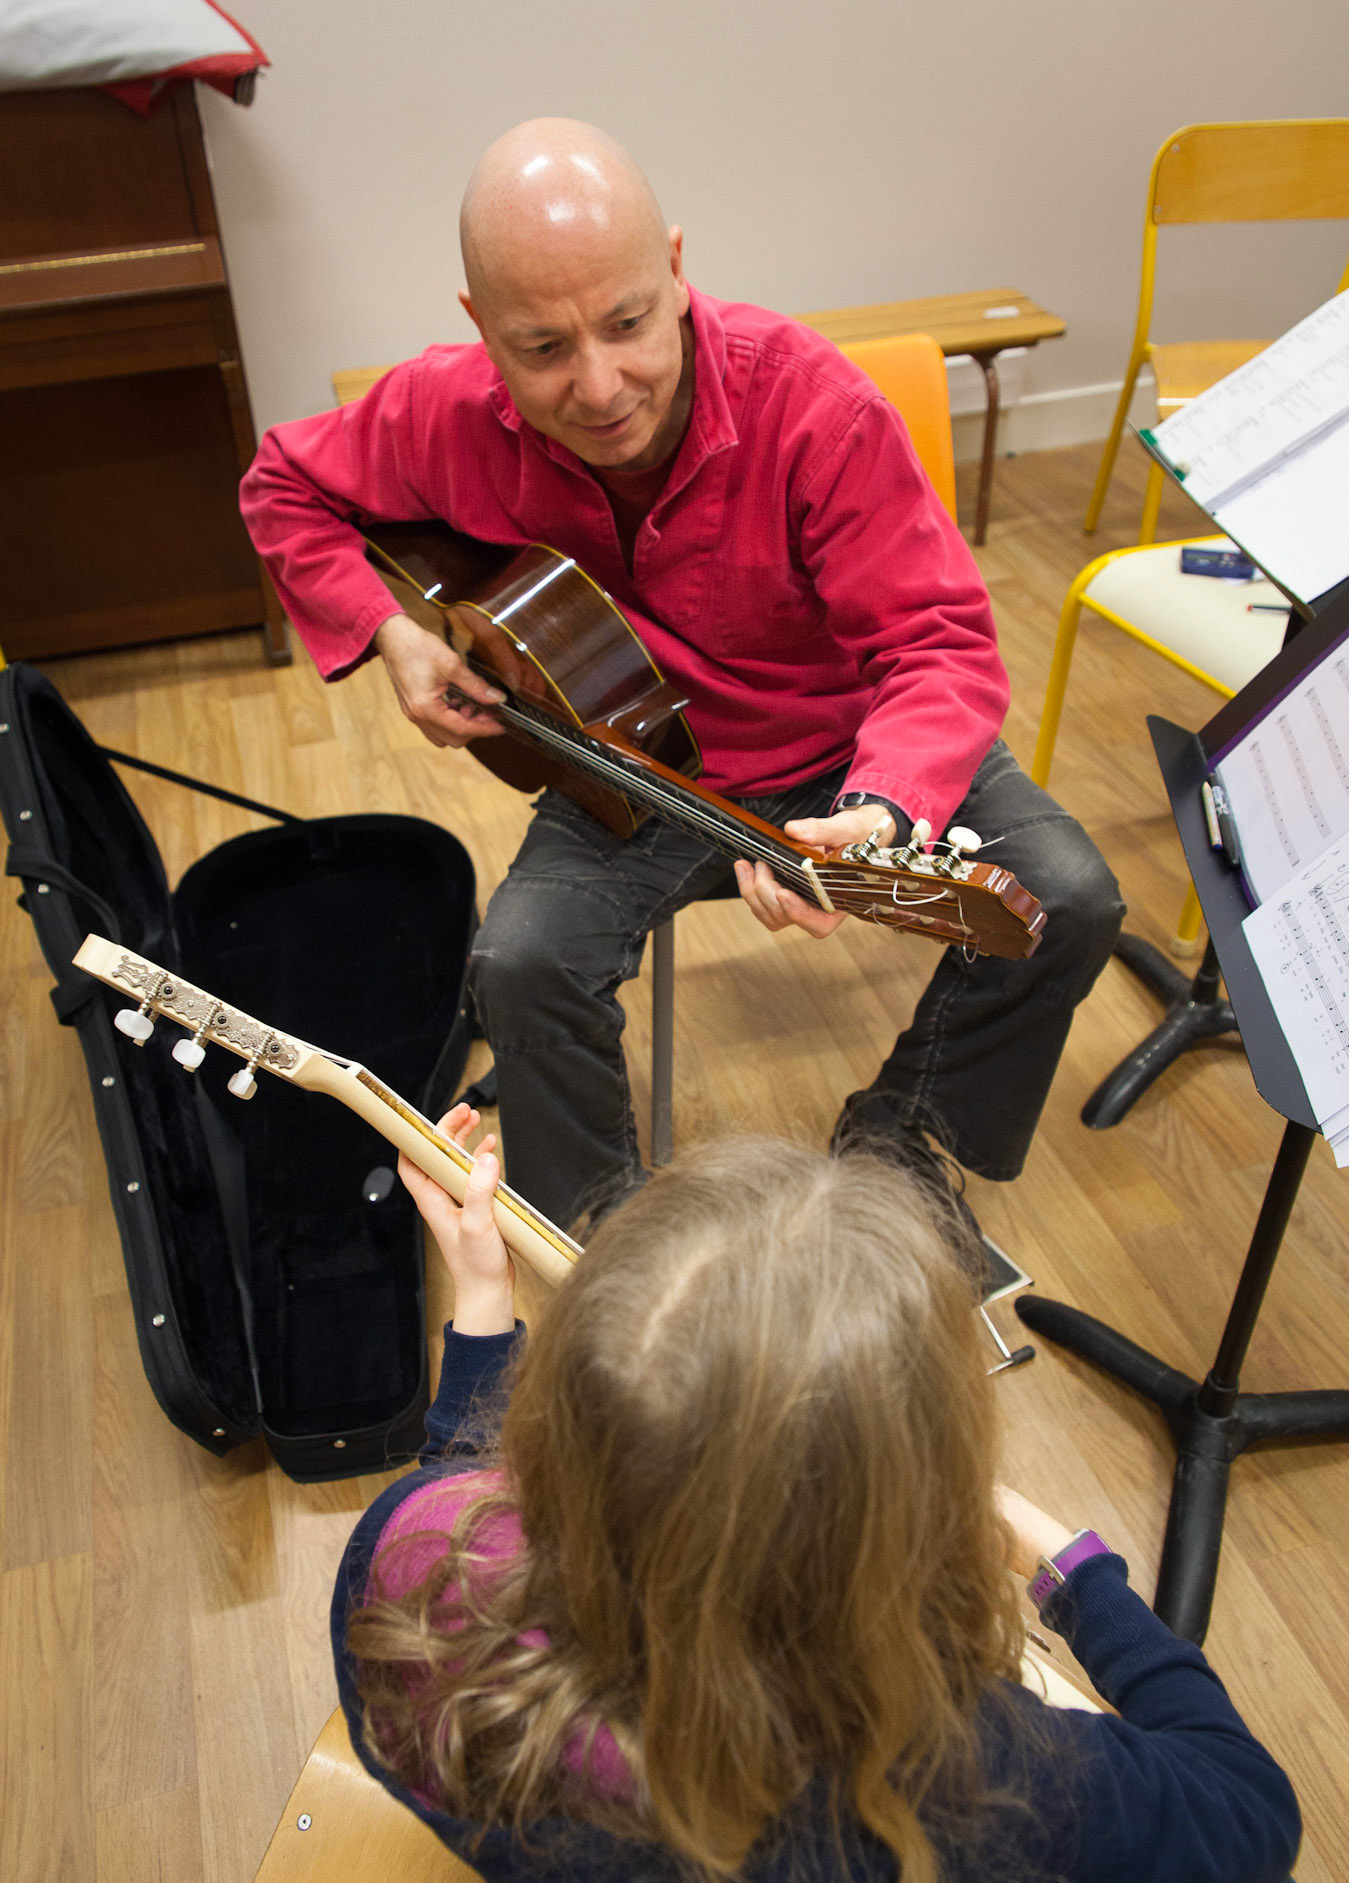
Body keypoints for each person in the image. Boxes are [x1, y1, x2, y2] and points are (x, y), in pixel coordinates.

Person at [241, 118, 1125, 1232]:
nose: (602, 385)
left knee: (1070, 900)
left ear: (673, 266)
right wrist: (389, 631)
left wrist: (881, 802)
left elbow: (940, 640)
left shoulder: (813, 407)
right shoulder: (444, 410)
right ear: (479, 329)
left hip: (843, 755)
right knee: (518, 965)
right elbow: (283, 485)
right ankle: (605, 1251)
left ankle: (907, 1135)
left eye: (626, 323)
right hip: (629, 765)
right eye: (543, 348)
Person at [333, 1112, 1316, 1883]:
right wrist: (1077, 1570)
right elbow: (1248, 1811)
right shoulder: (940, 1780)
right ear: (876, 1526)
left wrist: (481, 1297)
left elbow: (457, 1481)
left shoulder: (407, 1559)